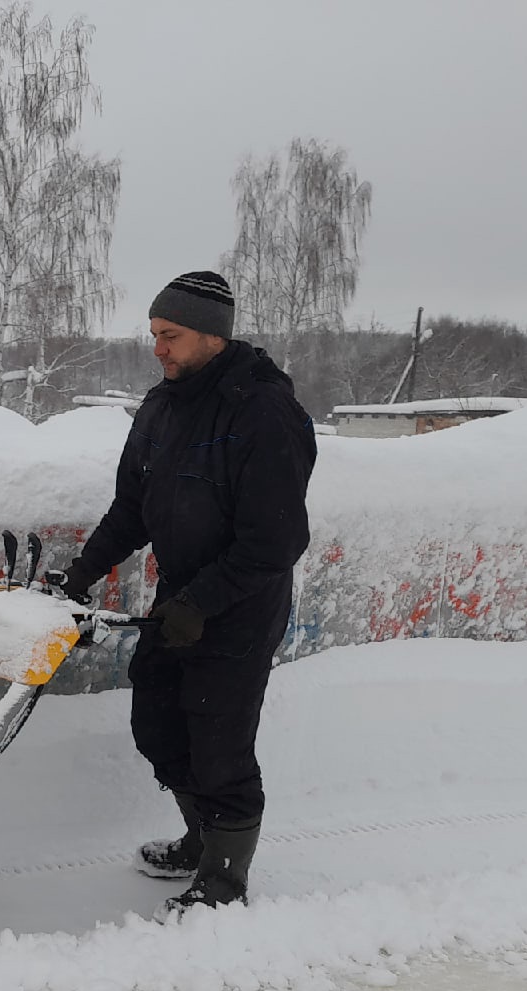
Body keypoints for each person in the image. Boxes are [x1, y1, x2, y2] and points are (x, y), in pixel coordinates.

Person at [57, 270, 317, 920]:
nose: (158, 349)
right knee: (158, 725)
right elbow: (133, 507)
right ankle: (201, 839)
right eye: (154, 334)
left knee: (219, 742)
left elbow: (276, 540)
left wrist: (202, 603)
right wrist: (82, 571)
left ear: (212, 335)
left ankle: (224, 880)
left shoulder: (263, 413)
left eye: (170, 335)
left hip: (241, 605)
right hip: (180, 599)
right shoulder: (162, 406)